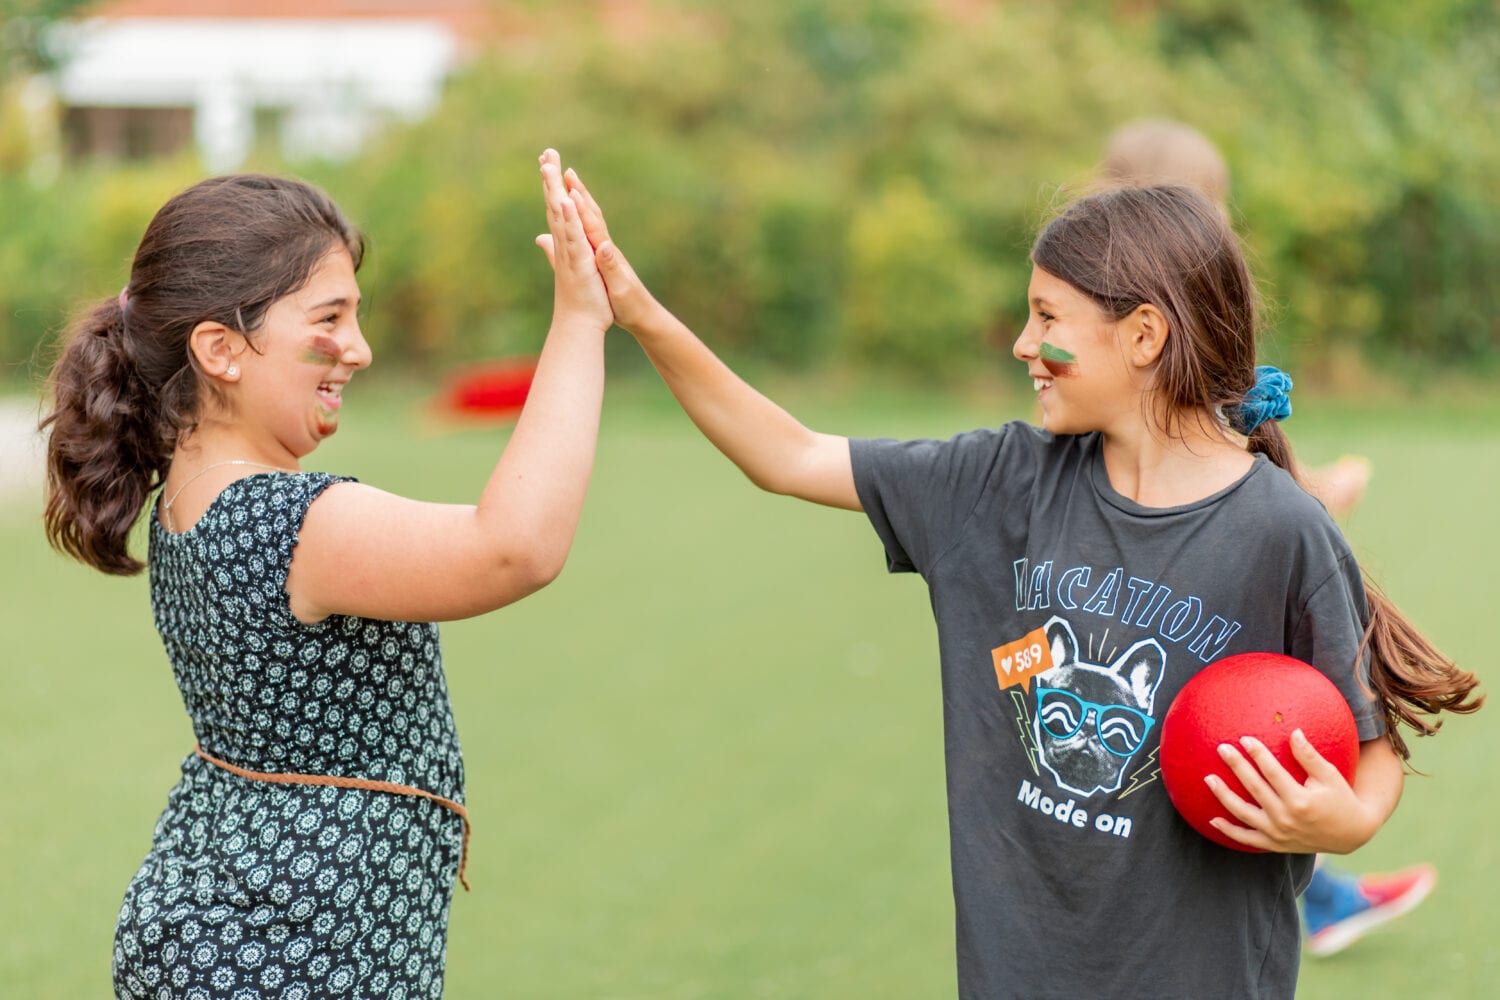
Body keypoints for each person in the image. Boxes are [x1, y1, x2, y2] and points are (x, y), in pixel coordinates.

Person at [550, 174, 1481, 997]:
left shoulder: (1281, 530)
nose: (1023, 344)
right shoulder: (999, 485)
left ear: (1145, 335)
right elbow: (786, 455)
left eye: (1047, 318)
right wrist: (636, 309)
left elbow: (1372, 738)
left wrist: (1348, 820)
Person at [41, 150, 611, 999]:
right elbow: (515, 547)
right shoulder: (289, 521)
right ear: (221, 350)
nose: (360, 350)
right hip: (276, 962)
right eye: (330, 319)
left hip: (239, 942)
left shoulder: (192, 502)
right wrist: (578, 319)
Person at [1103, 116, 1434, 957]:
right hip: (1156, 593)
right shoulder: (1134, 333)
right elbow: (1189, 478)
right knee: (1199, 747)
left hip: (1178, 585)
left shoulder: (1172, 329)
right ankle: (1318, 901)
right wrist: (1317, 495)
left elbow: (1216, 466)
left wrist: (1304, 498)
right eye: (1214, 208)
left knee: (1235, 738)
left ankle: (1318, 897)